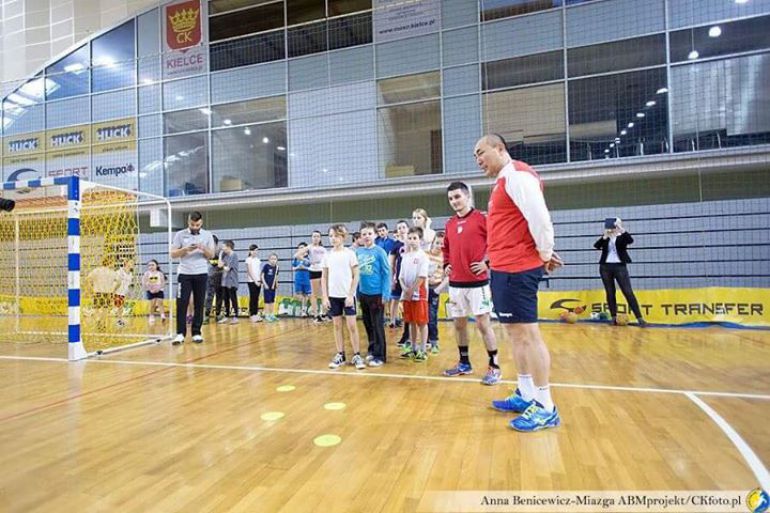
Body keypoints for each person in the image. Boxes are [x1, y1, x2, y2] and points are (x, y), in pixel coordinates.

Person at [474, 134, 563, 432]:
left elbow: (540, 218)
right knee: (514, 333)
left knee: (528, 335)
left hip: (517, 269)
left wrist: (545, 253)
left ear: (500, 149)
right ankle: (526, 394)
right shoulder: (502, 181)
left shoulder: (517, 176)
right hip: (503, 269)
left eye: (481, 152)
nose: (478, 159)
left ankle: (546, 406)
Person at [441, 181, 502, 386]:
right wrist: (446, 264)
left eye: (457, 197)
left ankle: (494, 366)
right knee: (459, 324)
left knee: (483, 324)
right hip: (456, 283)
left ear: (467, 197)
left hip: (478, 283)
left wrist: (487, 262)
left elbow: (496, 241)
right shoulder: (449, 223)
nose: (454, 201)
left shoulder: (481, 218)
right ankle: (464, 363)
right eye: (451, 198)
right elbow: (446, 249)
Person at [322, 224, 365, 370]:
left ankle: (357, 354)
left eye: (336, 236)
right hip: (333, 297)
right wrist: (325, 297)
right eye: (330, 236)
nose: (333, 239)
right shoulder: (327, 255)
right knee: (337, 325)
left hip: (347, 297)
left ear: (343, 237)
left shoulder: (350, 254)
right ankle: (340, 354)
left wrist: (351, 294)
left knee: (352, 326)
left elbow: (356, 275)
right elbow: (324, 277)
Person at [170, 211, 216, 345]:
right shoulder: (180, 235)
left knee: (199, 302)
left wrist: (203, 248)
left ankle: (196, 332)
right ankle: (180, 333)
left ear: (201, 223)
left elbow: (211, 255)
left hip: (201, 273)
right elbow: (173, 254)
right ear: (188, 222)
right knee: (182, 302)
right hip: (184, 274)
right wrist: (185, 250)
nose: (195, 227)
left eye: (197, 225)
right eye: (192, 224)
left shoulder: (207, 235)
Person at [594, 217, 646, 326]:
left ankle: (639, 318)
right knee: (610, 292)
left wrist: (621, 229)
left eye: (614, 225)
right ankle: (613, 317)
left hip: (620, 266)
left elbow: (630, 240)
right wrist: (605, 236)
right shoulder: (607, 237)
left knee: (627, 291)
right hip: (605, 267)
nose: (612, 227)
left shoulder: (622, 236)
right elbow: (596, 246)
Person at [355, 221, 391, 367]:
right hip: (364, 294)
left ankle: (380, 355)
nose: (367, 236)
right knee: (368, 324)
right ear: (360, 237)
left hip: (377, 294)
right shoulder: (358, 252)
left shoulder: (379, 252)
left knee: (377, 325)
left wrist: (385, 294)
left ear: (375, 235)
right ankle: (372, 350)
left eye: (369, 233)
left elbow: (386, 273)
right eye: (364, 234)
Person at [399, 227, 430, 361]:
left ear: (420, 240)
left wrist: (412, 290)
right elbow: (400, 276)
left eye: (415, 238)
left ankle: (423, 350)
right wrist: (405, 290)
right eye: (410, 238)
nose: (412, 241)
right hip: (407, 294)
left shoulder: (423, 256)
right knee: (410, 322)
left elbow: (422, 276)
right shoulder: (405, 256)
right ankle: (413, 348)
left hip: (419, 293)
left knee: (421, 322)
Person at [388, 220, 409, 332]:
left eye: (403, 227)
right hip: (398, 277)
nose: (401, 229)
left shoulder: (411, 242)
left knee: (408, 300)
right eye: (399, 228)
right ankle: (392, 320)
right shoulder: (395, 244)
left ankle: (408, 321)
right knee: (395, 299)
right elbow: (391, 263)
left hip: (409, 278)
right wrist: (392, 279)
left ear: (407, 228)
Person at [87, 257, 118, 331]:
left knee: (96, 309)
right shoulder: (112, 272)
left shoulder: (96, 270)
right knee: (105, 310)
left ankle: (98, 320)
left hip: (97, 292)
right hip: (107, 293)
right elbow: (118, 282)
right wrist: (113, 289)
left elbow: (88, 279)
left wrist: (91, 289)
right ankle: (103, 324)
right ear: (110, 263)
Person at [426, 232, 445, 353]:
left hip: (435, 288)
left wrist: (438, 289)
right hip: (423, 288)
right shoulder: (425, 254)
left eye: (442, 244)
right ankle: (425, 341)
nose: (439, 246)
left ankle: (434, 342)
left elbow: (447, 276)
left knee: (432, 316)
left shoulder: (445, 257)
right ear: (433, 242)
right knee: (423, 316)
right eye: (437, 243)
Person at [305, 230, 328, 324]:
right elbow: (297, 255)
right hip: (313, 271)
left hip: (322, 271)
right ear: (311, 237)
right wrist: (308, 261)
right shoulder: (309, 247)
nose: (316, 238)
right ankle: (315, 315)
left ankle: (323, 314)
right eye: (314, 236)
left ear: (320, 238)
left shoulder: (323, 249)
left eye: (317, 236)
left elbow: (327, 260)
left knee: (324, 293)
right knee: (314, 294)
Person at [217, 240, 239, 325]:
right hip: (225, 281)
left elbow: (227, 268)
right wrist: (220, 256)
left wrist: (223, 265)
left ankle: (236, 316)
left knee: (233, 299)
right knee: (225, 299)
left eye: (224, 247)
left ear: (229, 247)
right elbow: (219, 265)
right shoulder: (225, 256)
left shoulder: (234, 256)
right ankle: (226, 316)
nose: (222, 249)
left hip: (232, 281)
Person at [203, 235, 223, 324]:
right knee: (208, 297)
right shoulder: (206, 253)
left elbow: (221, 264)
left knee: (219, 296)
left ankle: (218, 315)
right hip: (209, 277)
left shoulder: (221, 252)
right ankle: (206, 315)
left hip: (219, 276)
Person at [142, 259, 166, 324]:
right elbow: (144, 283)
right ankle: (151, 316)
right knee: (152, 304)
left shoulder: (160, 273)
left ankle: (162, 315)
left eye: (153, 265)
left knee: (160, 303)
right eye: (149, 265)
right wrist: (150, 289)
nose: (151, 266)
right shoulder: (147, 273)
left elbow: (163, 282)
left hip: (159, 290)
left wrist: (159, 288)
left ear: (157, 266)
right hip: (150, 290)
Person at [292, 243, 311, 317]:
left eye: (302, 247)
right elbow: (293, 268)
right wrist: (297, 267)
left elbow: (312, 268)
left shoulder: (308, 258)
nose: (301, 249)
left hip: (306, 278)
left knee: (306, 294)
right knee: (299, 294)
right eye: (299, 248)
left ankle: (304, 310)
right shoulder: (296, 258)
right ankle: (302, 308)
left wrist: (304, 267)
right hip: (298, 278)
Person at [114, 258, 134, 328]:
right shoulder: (119, 271)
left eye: (133, 263)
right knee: (116, 307)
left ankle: (119, 321)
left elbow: (128, 285)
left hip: (123, 293)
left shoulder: (131, 274)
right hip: (115, 292)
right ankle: (101, 320)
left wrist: (127, 293)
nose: (133, 264)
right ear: (126, 263)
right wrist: (112, 291)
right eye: (131, 262)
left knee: (120, 307)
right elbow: (114, 281)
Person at [246, 244, 262, 323]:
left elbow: (259, 271)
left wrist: (260, 280)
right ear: (250, 251)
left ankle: (256, 313)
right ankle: (252, 314)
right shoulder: (248, 259)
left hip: (258, 281)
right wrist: (255, 280)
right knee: (253, 297)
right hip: (251, 281)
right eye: (253, 250)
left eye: (256, 250)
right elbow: (250, 271)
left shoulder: (258, 260)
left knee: (256, 298)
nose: (255, 252)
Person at [261, 253, 279, 322]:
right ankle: (267, 315)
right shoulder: (266, 266)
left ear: (277, 260)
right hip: (267, 287)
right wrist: (264, 284)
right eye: (272, 259)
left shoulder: (277, 267)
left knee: (272, 301)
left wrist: (276, 283)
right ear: (269, 259)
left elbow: (276, 276)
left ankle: (272, 314)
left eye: (275, 259)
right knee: (267, 301)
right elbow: (262, 275)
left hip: (273, 287)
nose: (273, 260)